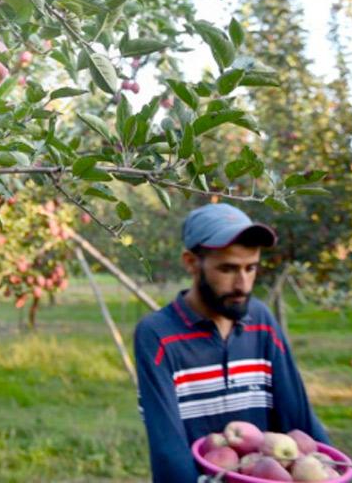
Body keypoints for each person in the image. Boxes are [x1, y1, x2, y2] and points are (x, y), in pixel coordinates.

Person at [133, 203, 330, 482]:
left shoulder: (261, 321)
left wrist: (329, 469)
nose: (243, 284)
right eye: (228, 269)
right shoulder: (158, 335)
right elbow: (168, 451)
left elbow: (299, 417)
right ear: (191, 263)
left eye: (251, 268)